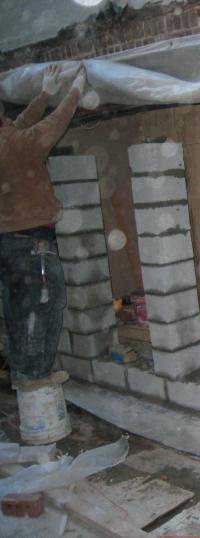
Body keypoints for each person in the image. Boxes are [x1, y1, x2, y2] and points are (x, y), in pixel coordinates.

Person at [0, 64, 86, 390]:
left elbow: (19, 126)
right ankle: (33, 374)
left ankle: (23, 370)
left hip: (11, 241)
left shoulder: (8, 141)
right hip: (31, 244)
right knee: (45, 304)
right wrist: (75, 90)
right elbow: (53, 125)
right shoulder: (15, 144)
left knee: (18, 308)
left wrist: (45, 93)